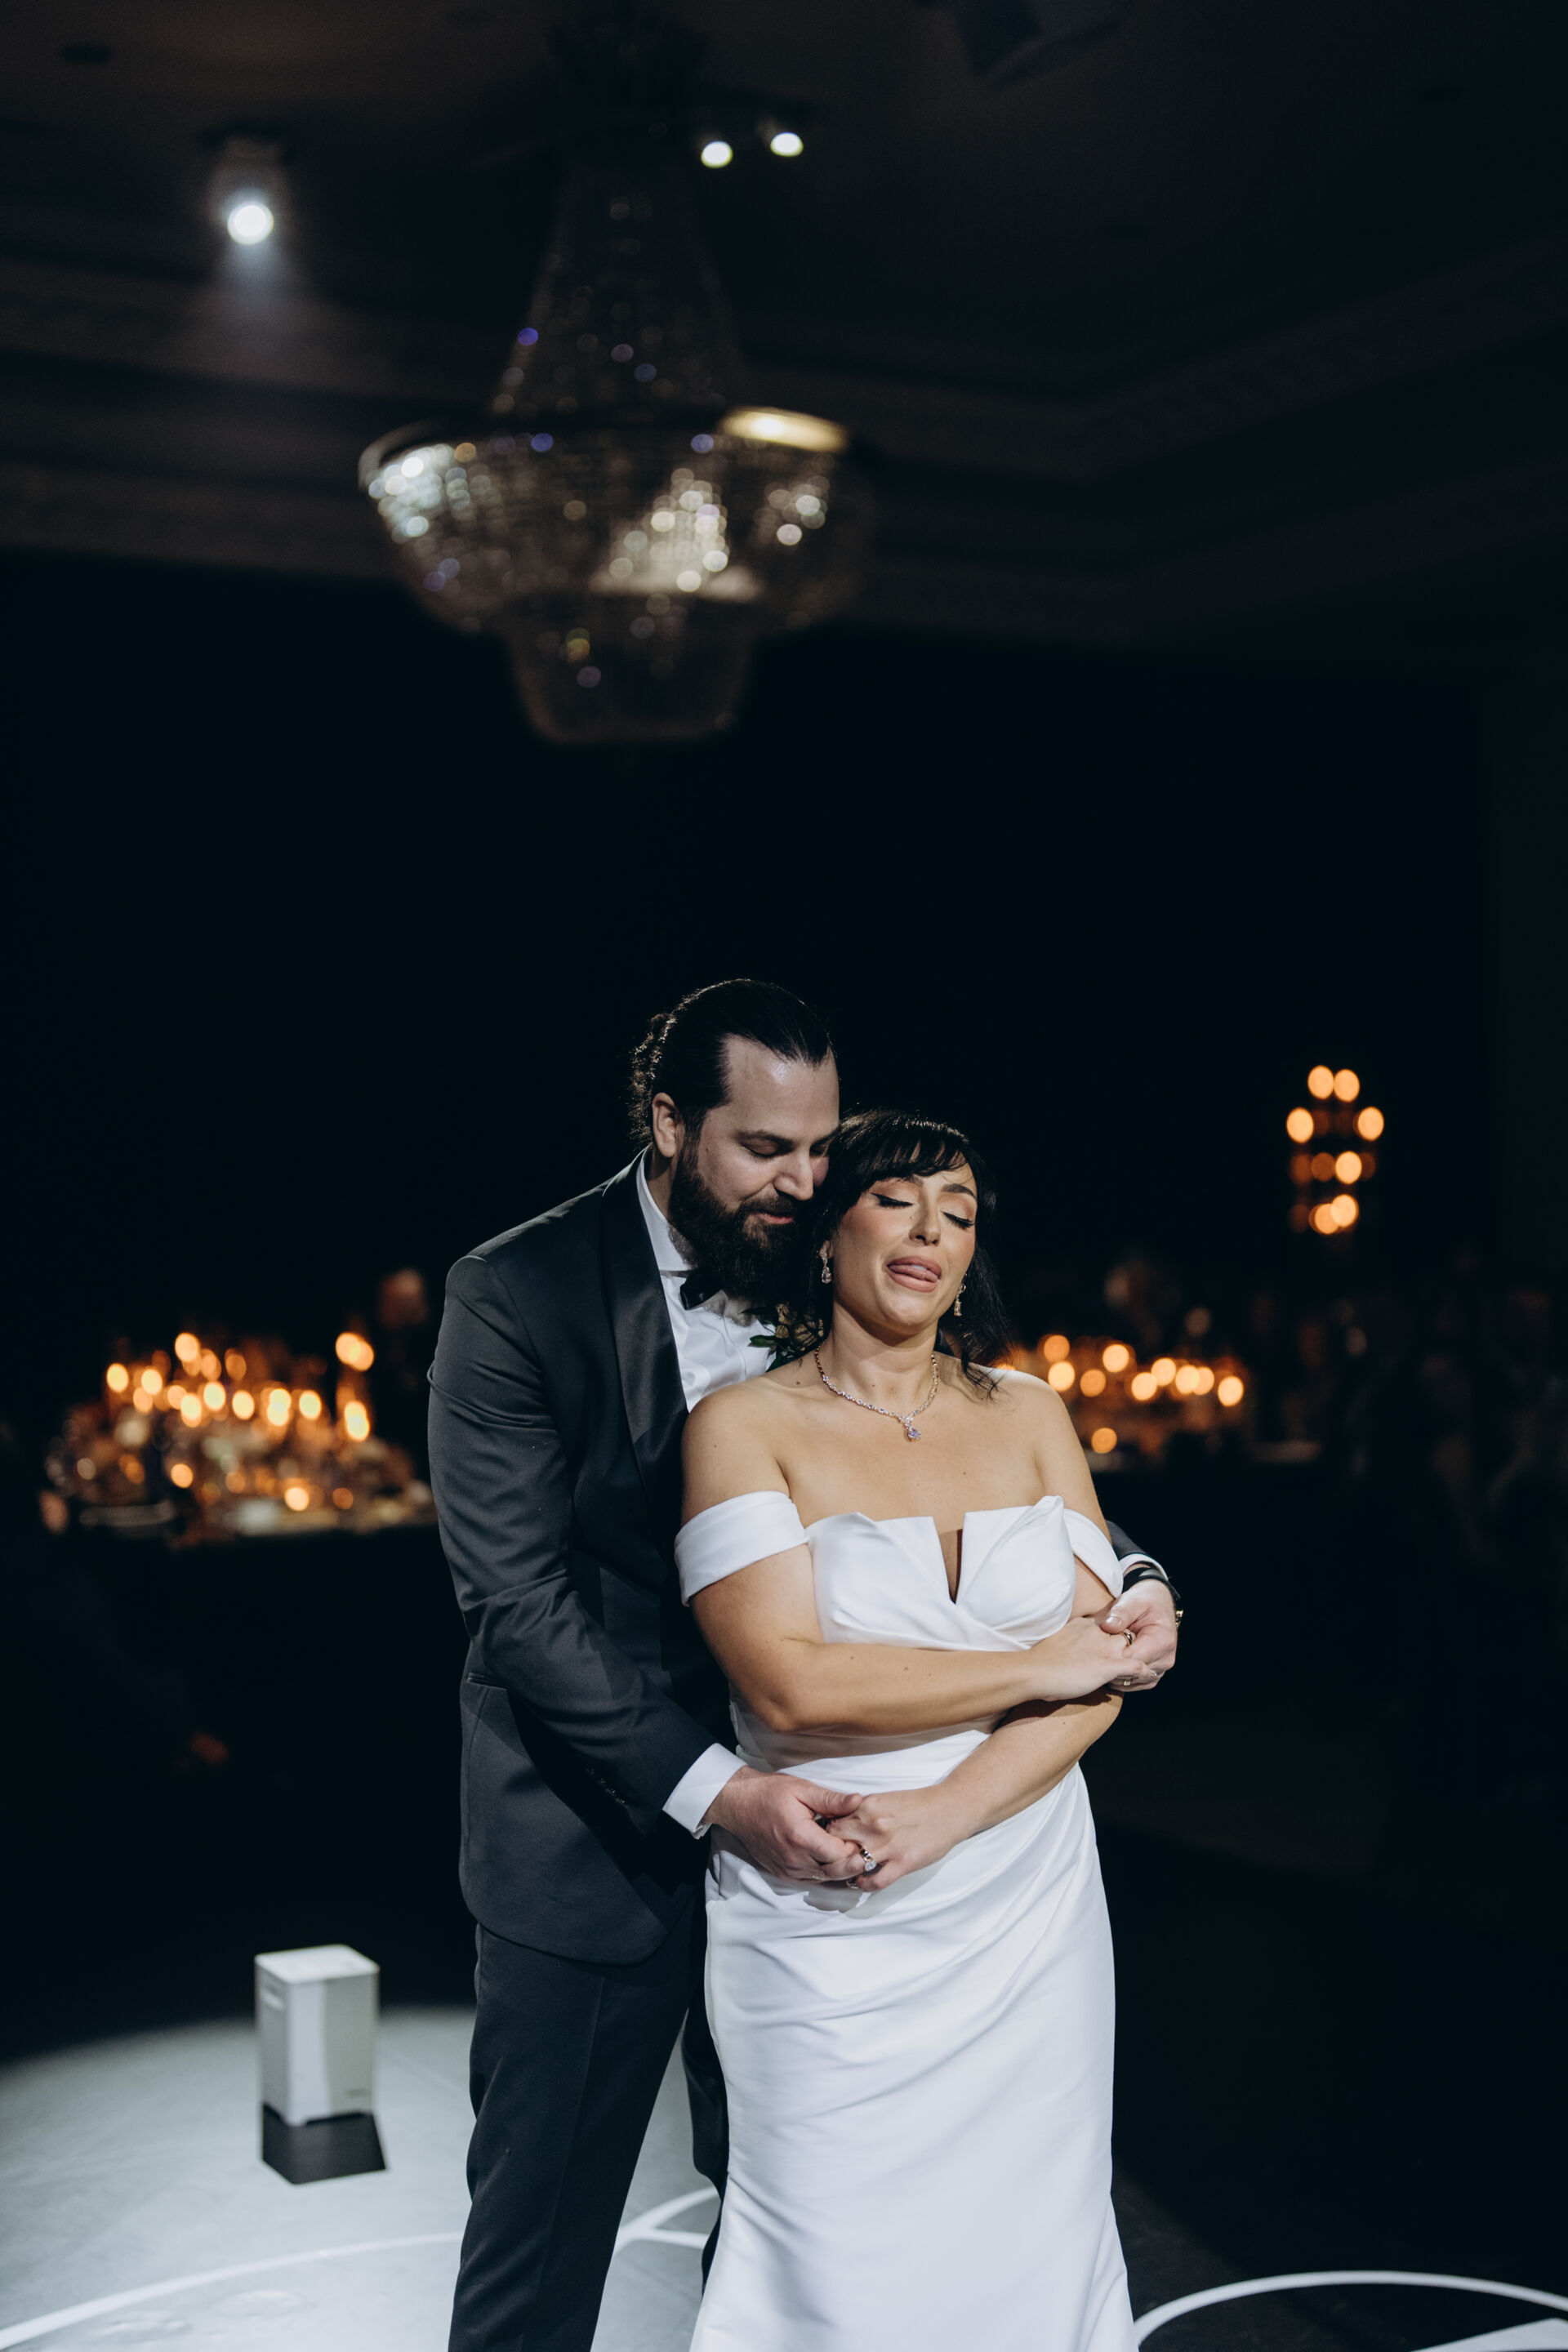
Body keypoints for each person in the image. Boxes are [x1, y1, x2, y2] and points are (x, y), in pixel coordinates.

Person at [427, 981, 1179, 2352]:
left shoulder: (822, 1248)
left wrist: (1132, 1573)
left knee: (817, 2240)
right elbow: (520, 1607)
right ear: (670, 1123)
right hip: (604, 1829)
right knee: (541, 2252)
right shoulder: (518, 1292)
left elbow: (955, 1448)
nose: (803, 1180)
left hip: (849, 1860)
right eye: (766, 1148)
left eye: (824, 1149)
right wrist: (723, 1791)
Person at [679, 1107, 1143, 2350]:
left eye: (960, 1213)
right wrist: (1036, 1661)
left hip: (1027, 1897)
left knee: (1032, 2236)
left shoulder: (1031, 1411)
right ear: (828, 1229)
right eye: (898, 1201)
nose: (931, 1232)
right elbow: (788, 1685)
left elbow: (1102, 1674)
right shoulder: (741, 1427)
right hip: (828, 1897)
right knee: (836, 2256)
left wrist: (949, 1811)